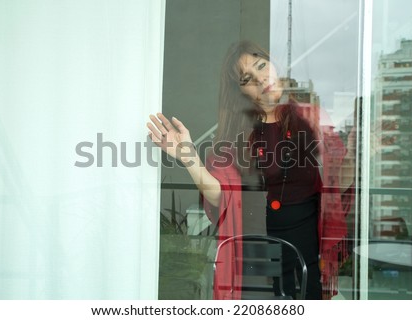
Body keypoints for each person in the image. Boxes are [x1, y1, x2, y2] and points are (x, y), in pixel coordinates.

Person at [147, 40, 355, 300]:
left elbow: (340, 184)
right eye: (248, 78)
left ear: (273, 64)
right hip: (252, 256)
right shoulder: (237, 132)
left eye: (261, 66)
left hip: (305, 251)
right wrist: (188, 156)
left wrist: (358, 154)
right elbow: (222, 196)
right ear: (240, 91)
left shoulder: (311, 118)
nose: (261, 79)